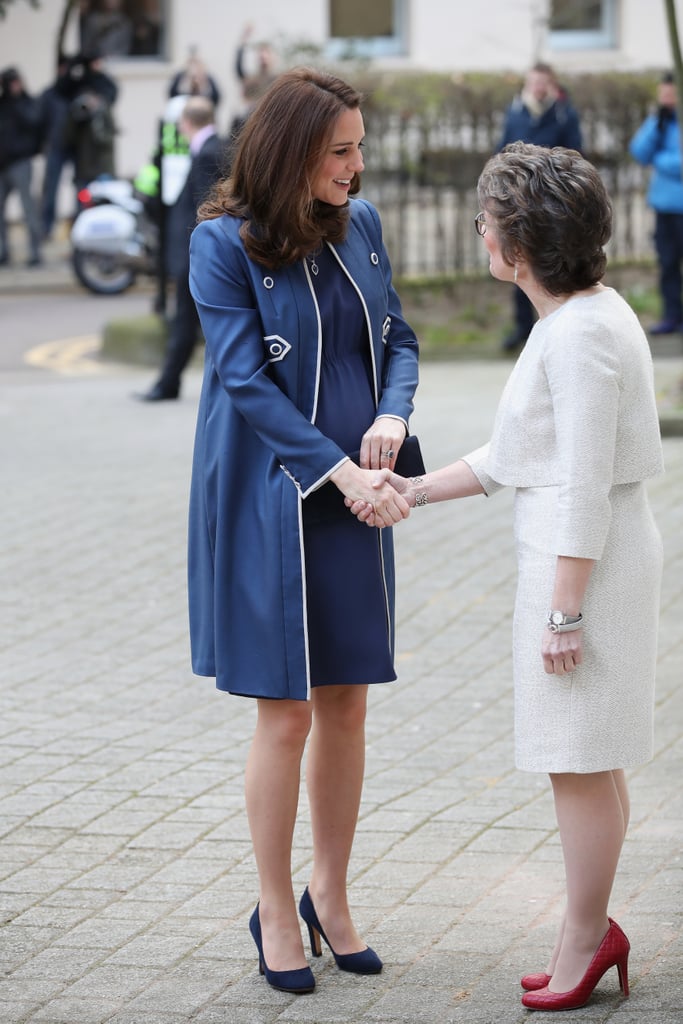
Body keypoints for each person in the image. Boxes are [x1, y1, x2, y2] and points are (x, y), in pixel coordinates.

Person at [351, 142, 664, 1012]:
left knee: (577, 761)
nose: (478, 229)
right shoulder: (579, 320)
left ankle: (585, 935)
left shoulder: (578, 336)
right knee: (590, 761)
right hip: (586, 560)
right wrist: (415, 490)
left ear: (517, 245)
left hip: (585, 570)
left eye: (487, 218)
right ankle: (588, 927)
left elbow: (583, 480)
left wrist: (563, 615)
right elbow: (520, 453)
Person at [186, 67, 419, 994]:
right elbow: (243, 382)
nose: (357, 167)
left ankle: (330, 890)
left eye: (359, 147)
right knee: (283, 714)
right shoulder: (220, 245)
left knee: (348, 700)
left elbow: (396, 338)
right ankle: (274, 905)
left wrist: (393, 424)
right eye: (341, 150)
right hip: (271, 502)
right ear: (291, 153)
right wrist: (341, 472)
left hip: (360, 491)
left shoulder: (359, 225)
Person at [134, 96, 227, 401]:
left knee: (185, 319)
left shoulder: (206, 154)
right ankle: (168, 382)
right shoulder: (217, 147)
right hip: (204, 256)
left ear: (186, 123)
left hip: (199, 256)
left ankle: (167, 384)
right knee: (188, 320)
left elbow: (204, 210)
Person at [496, 63, 582, 351]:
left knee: (553, 266)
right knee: (520, 266)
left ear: (552, 84)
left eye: (543, 81)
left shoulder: (563, 114)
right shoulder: (516, 111)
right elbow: (502, 153)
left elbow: (574, 157)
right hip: (519, 205)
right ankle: (523, 327)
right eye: (533, 81)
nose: (538, 86)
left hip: (552, 206)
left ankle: (557, 325)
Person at [630, 72, 683, 334]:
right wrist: (656, 127)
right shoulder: (662, 120)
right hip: (664, 206)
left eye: (669, 93)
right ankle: (673, 316)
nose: (666, 99)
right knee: (668, 264)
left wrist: (661, 162)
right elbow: (639, 151)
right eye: (662, 94)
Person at [0, 67, 45, 267]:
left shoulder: (27, 103)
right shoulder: (2, 105)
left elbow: (34, 122)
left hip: (21, 163)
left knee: (28, 209)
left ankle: (35, 253)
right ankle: (3, 252)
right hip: (2, 165)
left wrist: (18, 100)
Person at [58, 51, 119, 195]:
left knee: (105, 199)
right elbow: (70, 135)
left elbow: (108, 135)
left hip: (102, 165)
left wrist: (97, 117)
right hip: (84, 165)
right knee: (84, 202)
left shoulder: (104, 107)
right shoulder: (78, 108)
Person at [39, 54, 75, 239]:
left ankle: (76, 227)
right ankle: (46, 227)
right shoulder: (50, 95)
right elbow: (38, 120)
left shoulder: (76, 91)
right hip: (55, 146)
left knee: (80, 190)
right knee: (50, 189)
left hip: (75, 148)